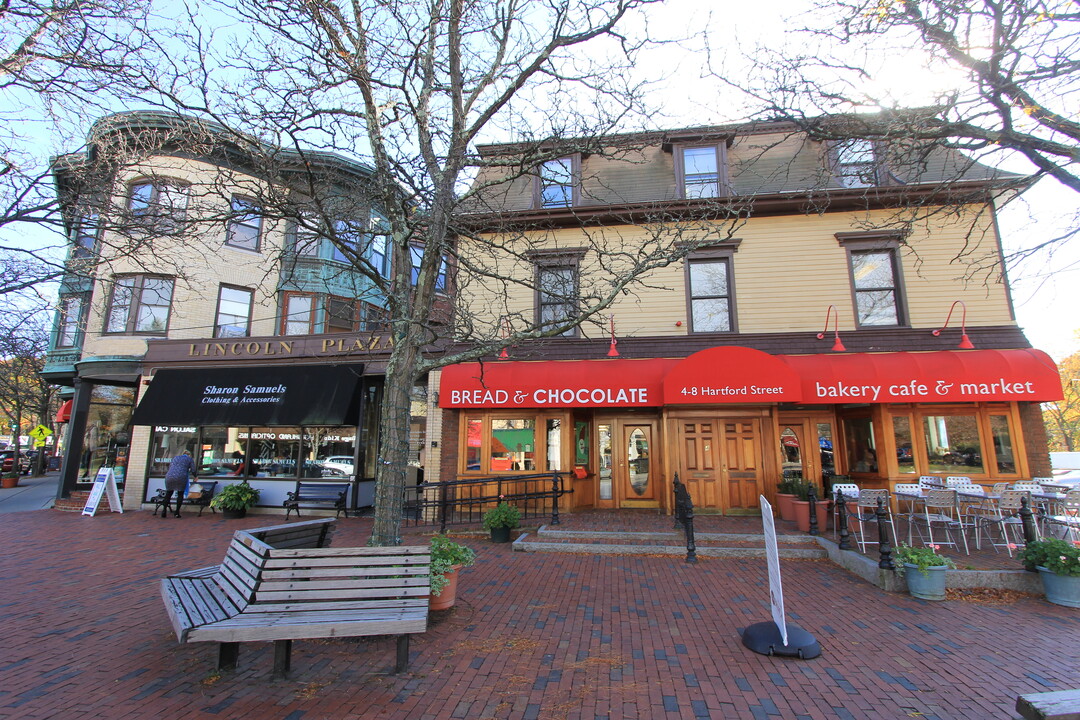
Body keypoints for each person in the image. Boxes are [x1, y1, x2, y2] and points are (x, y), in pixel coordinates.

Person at [162, 450, 196, 518]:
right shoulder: (189, 459)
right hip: (181, 477)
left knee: (168, 493)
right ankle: (177, 512)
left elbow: (170, 467)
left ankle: (164, 511)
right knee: (180, 494)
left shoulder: (175, 458)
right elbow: (193, 470)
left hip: (169, 476)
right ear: (189, 455)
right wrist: (196, 476)